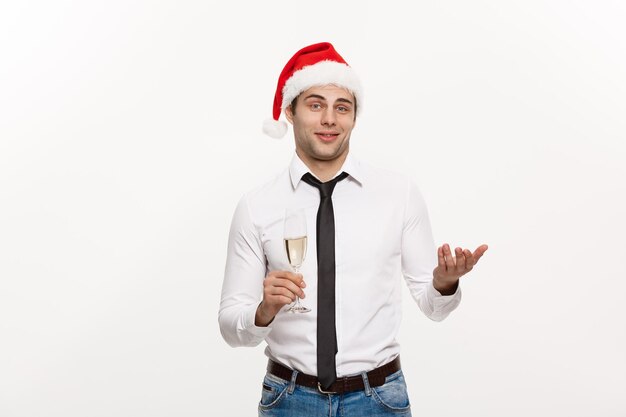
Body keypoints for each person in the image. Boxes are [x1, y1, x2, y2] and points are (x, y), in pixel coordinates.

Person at [219, 42, 488, 417]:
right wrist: (263, 311)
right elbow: (231, 326)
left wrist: (444, 282)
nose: (329, 119)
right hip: (289, 399)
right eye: (315, 105)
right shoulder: (256, 206)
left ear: (354, 117)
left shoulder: (399, 194)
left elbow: (433, 307)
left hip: (378, 398)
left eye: (341, 107)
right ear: (290, 112)